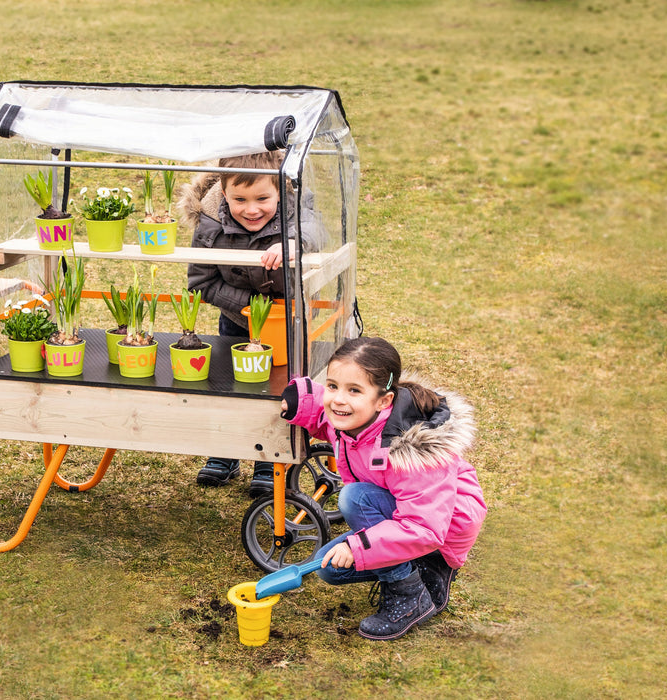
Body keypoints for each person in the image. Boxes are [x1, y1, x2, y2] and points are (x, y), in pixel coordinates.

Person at [279, 336, 486, 640]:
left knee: (355, 499)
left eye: (353, 390)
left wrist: (357, 546)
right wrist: (303, 402)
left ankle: (411, 592)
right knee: (326, 567)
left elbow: (426, 528)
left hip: (441, 531)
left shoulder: (411, 451)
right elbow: (327, 420)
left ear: (384, 401)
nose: (337, 398)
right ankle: (408, 565)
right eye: (333, 385)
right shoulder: (356, 418)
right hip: (403, 515)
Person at [181, 150, 306, 496]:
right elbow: (200, 283)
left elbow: (318, 233)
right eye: (240, 199)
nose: (252, 209)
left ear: (280, 191)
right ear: (223, 193)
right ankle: (225, 453)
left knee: (276, 390)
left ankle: (267, 461)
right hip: (237, 323)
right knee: (230, 388)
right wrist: (253, 308)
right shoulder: (209, 224)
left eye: (262, 199)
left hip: (284, 326)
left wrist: (295, 243)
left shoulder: (298, 217)